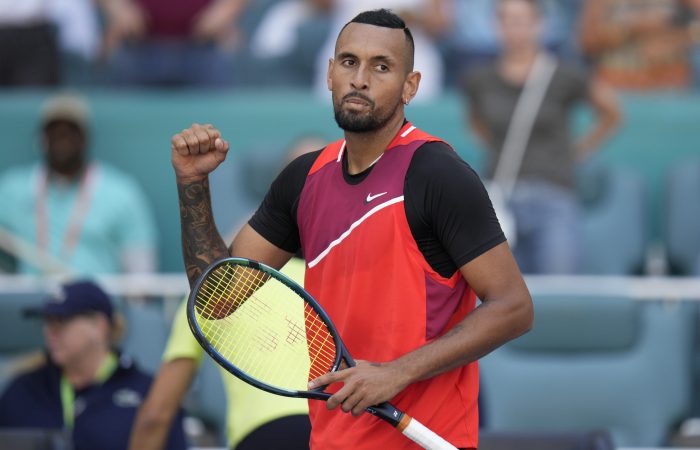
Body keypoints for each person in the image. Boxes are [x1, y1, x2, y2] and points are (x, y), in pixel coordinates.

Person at [171, 8, 533, 450]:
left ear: (410, 86)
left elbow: (514, 307)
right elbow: (216, 298)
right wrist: (193, 183)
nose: (360, 78)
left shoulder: (438, 174)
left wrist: (396, 372)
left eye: (381, 66)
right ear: (329, 73)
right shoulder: (301, 180)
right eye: (348, 62)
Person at [463, 0, 621, 274]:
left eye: (523, 20)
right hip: (500, 198)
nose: (516, 29)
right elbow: (476, 123)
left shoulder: (565, 74)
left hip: (554, 198)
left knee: (558, 290)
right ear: (496, 26)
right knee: (498, 299)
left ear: (540, 25)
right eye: (508, 20)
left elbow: (612, 113)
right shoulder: (479, 80)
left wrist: (579, 150)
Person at [128, 258, 310, 450]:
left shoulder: (204, 292)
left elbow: (156, 415)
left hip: (258, 436)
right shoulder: (319, 277)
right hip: (329, 428)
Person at [0, 280, 187, 450]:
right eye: (47, 322)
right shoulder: (22, 390)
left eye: (61, 322)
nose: (50, 332)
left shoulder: (148, 394)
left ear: (99, 326)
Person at [0, 93, 158, 275]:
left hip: (96, 301)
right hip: (29, 301)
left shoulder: (122, 192)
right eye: (54, 130)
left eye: (71, 130)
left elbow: (141, 273)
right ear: (42, 138)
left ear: (85, 138)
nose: (62, 138)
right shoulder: (11, 189)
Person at [96, 0, 248, 87]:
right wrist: (116, 6)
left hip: (206, 49)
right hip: (136, 48)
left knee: (215, 125)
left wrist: (226, 9)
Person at [579, 0, 697, 90]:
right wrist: (631, 28)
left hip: (670, 86)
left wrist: (676, 41)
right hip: (618, 85)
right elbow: (587, 41)